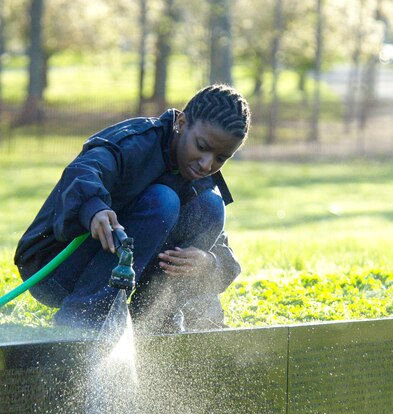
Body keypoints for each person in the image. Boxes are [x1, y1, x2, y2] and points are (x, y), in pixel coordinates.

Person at [14, 84, 251, 332]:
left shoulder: (199, 178)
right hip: (53, 268)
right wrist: (94, 208)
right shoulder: (136, 141)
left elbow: (222, 251)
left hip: (107, 268)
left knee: (213, 206)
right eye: (202, 147)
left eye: (221, 158)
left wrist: (208, 262)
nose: (206, 164)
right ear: (181, 123)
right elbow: (81, 171)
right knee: (164, 200)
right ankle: (85, 318)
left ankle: (153, 318)